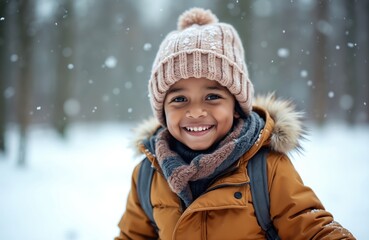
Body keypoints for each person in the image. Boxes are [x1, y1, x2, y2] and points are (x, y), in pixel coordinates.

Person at [114, 8, 355, 240]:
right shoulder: (148, 174)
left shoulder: (267, 169)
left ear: (236, 106)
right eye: (179, 99)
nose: (196, 111)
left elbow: (312, 227)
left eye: (212, 96)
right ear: (162, 111)